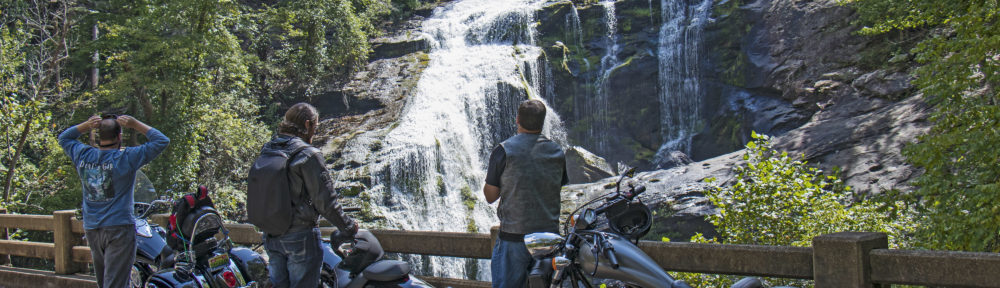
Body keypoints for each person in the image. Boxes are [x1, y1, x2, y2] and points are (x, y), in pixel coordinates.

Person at [58, 114, 170, 288]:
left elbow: (64, 137)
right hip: (119, 228)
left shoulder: (83, 155)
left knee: (105, 282)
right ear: (119, 136)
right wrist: (135, 124)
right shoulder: (126, 158)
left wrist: (86, 125)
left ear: (98, 136)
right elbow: (161, 141)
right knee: (116, 283)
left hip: (93, 229)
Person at [255, 103, 358, 288]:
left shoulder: (268, 149)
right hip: (300, 237)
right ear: (308, 124)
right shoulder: (308, 155)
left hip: (271, 235)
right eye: (315, 128)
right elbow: (326, 202)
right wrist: (348, 227)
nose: (315, 133)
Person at [484, 99, 568, 288]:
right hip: (549, 238)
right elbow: (554, 186)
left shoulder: (503, 150)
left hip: (515, 238)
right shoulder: (557, 151)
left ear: (517, 120)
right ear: (543, 122)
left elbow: (490, 196)